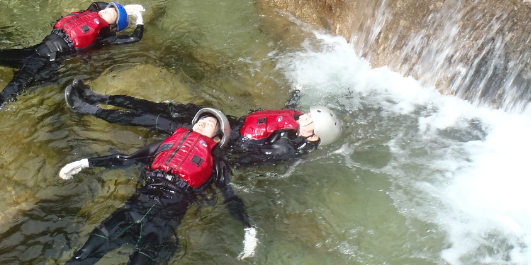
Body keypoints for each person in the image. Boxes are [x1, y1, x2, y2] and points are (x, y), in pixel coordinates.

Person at [0, 2, 145, 135]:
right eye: (108, 8)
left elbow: (135, 38)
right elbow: (97, 3)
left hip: (45, 60)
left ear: (114, 25)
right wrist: (125, 6)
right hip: (33, 51)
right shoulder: (92, 13)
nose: (104, 11)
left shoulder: (103, 38)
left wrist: (138, 17)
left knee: (13, 87)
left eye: (111, 13)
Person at [58, 108, 258, 264]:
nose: (202, 123)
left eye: (210, 123)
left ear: (217, 137)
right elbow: (127, 159)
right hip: (137, 205)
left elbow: (230, 196)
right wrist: (85, 163)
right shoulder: (169, 143)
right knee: (84, 253)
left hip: (166, 217)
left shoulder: (216, 159)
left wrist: (248, 228)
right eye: (200, 120)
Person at [64, 79, 342, 168]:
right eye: (308, 113)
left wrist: (206, 148)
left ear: (314, 137)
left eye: (310, 121)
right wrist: (298, 89)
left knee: (152, 119)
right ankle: (100, 96)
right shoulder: (294, 122)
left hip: (216, 138)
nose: (304, 117)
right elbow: (289, 111)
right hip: (224, 121)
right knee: (163, 107)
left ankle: (89, 109)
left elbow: (240, 159)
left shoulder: (284, 148)